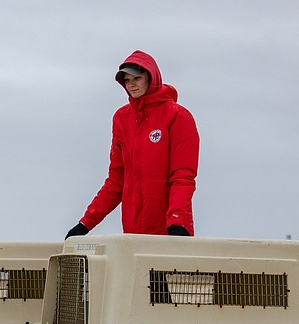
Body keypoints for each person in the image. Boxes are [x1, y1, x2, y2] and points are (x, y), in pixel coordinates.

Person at [66, 50, 199, 238]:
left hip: (170, 231)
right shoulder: (122, 119)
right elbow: (116, 181)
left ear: (151, 78)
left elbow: (183, 177)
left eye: (137, 78)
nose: (132, 85)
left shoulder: (178, 116)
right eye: (127, 80)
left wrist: (177, 220)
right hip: (132, 234)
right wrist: (85, 223)